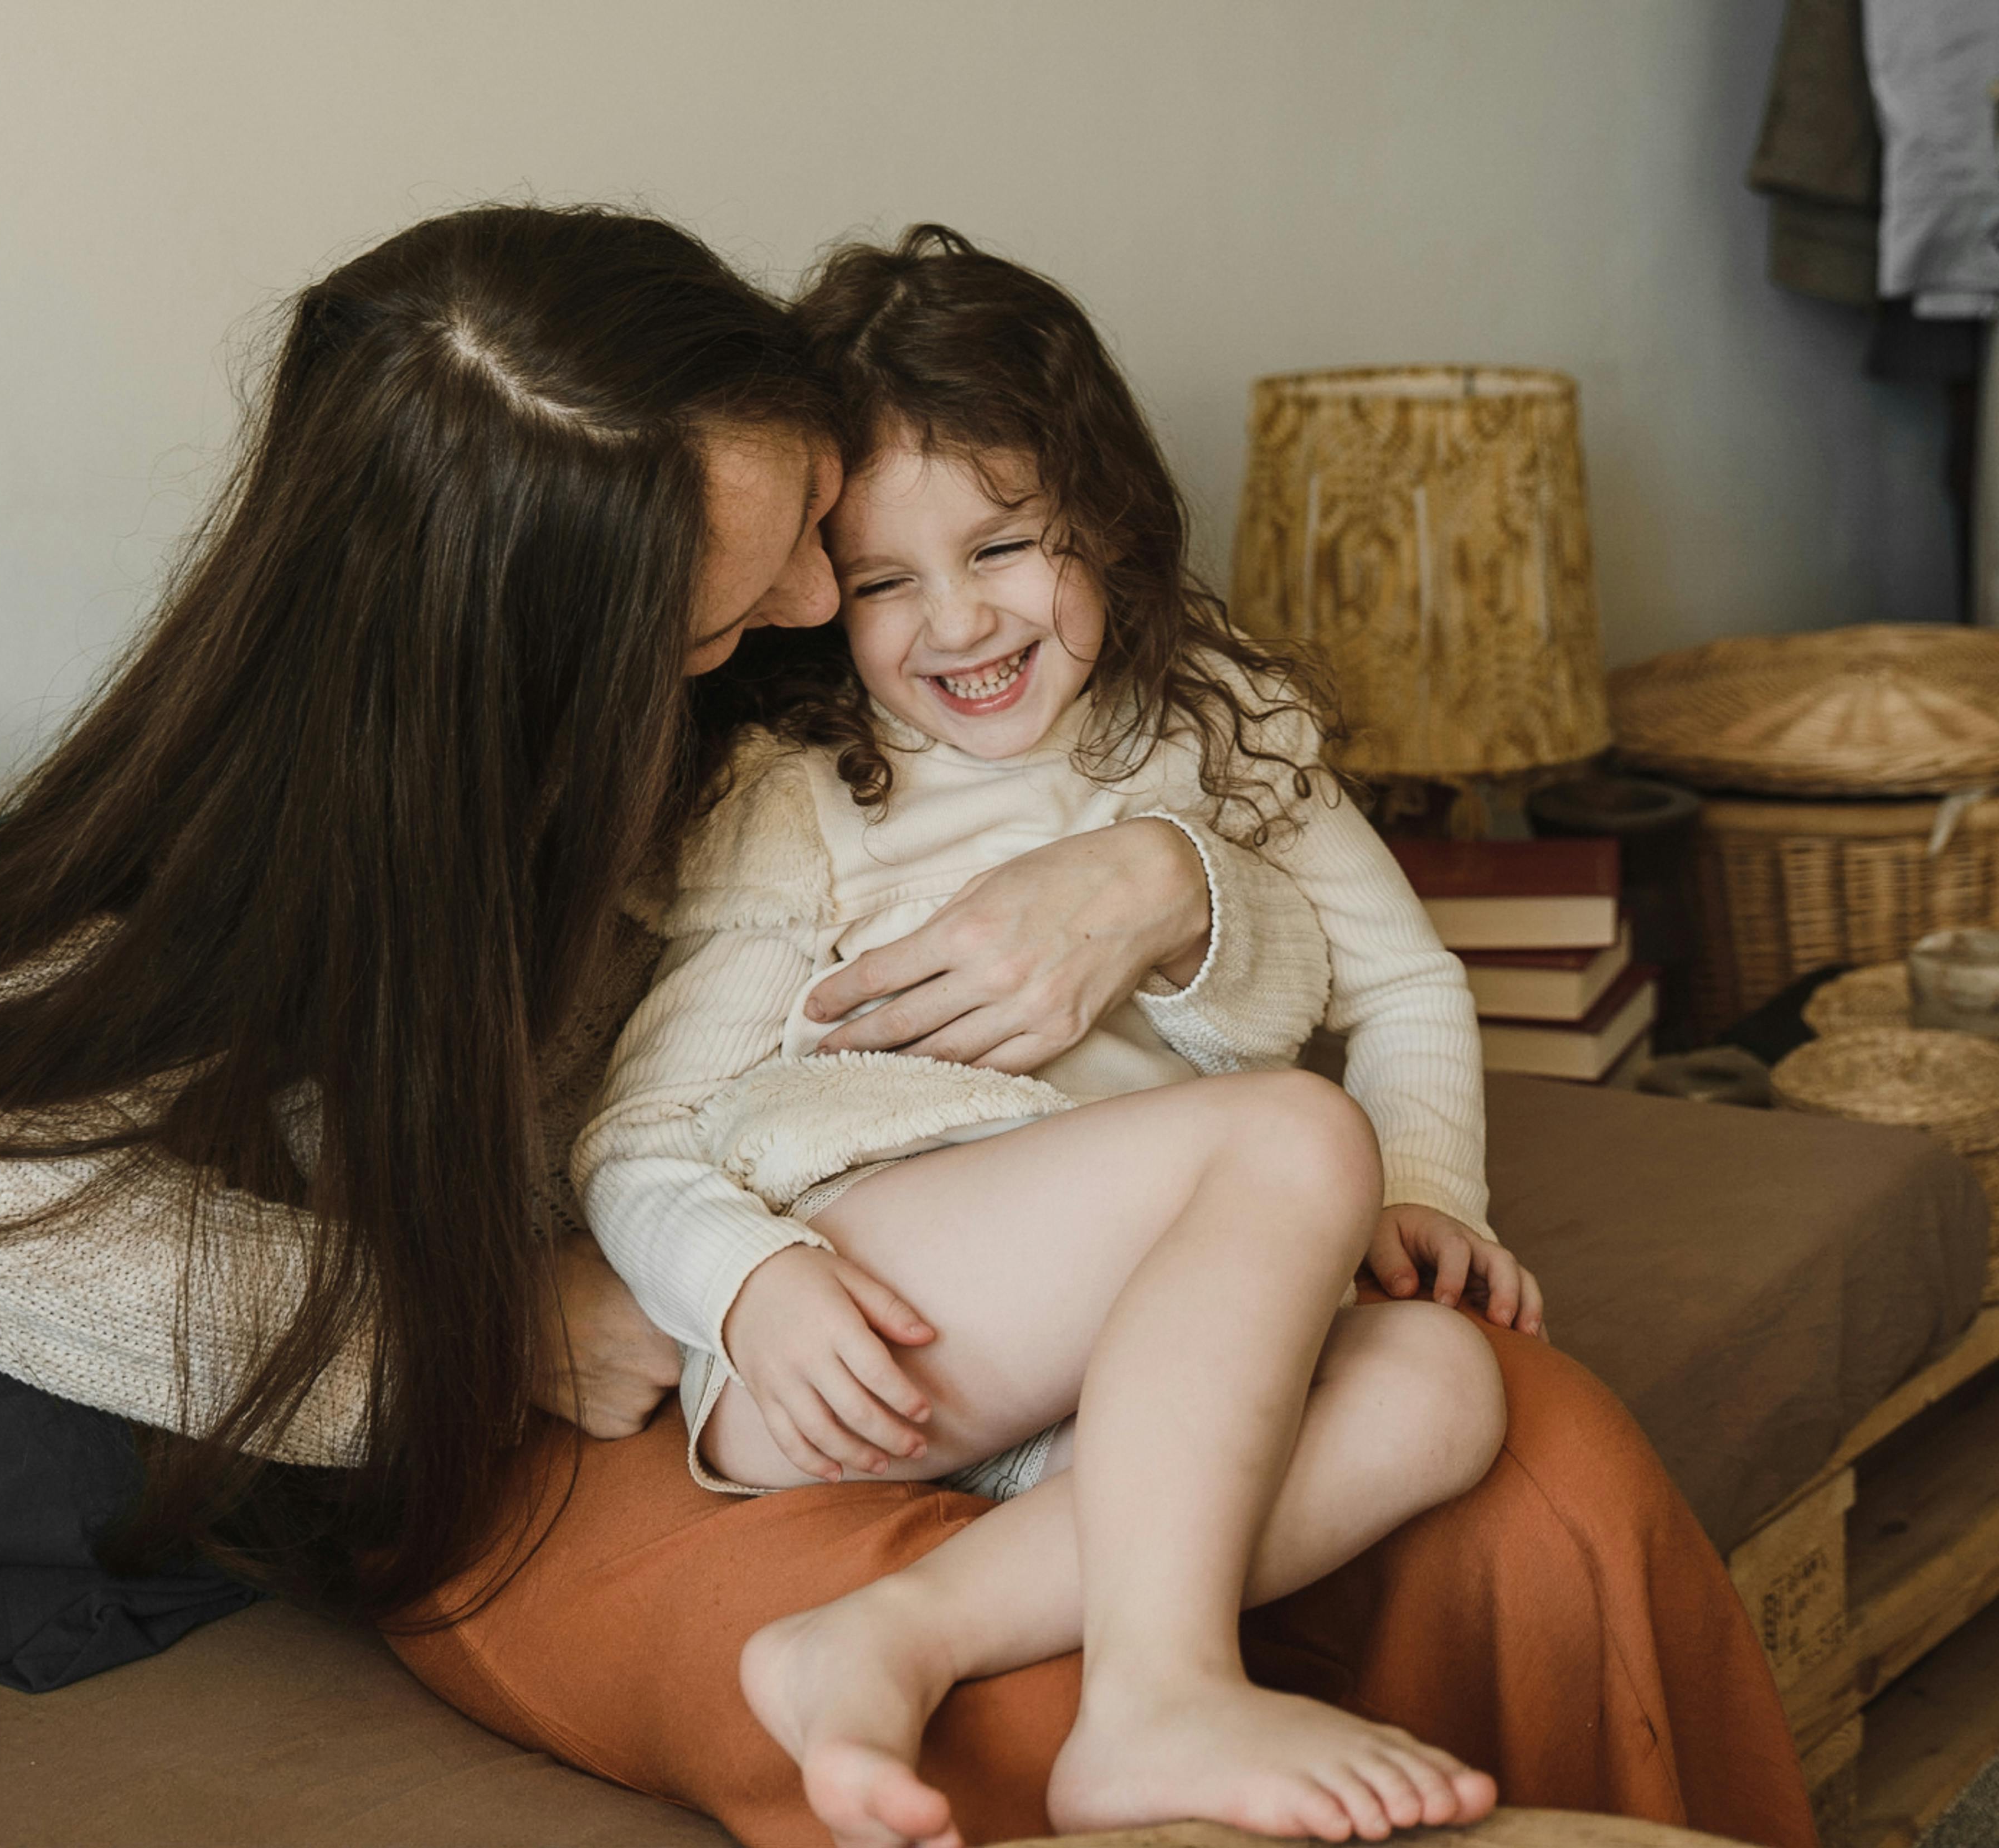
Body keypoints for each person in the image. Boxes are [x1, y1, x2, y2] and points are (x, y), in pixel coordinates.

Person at [0, 203, 1814, 1848]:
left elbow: (1288, 908)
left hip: (997, 1275)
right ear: (560, 639)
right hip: (647, 1382)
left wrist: (1166, 886)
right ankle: (1136, 1694)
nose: (822, 593)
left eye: (816, 528)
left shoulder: (838, 663)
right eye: (774, 571)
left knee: (1497, 1428)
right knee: (989, 1712)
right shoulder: (306, 860)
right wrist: (492, 1313)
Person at [573, 224, 1533, 1847]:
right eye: (882, 582)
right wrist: (747, 1284)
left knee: (1446, 1388)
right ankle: (1159, 1699)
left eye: (1005, 545)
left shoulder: (1221, 724)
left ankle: (892, 1633)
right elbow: (635, 1139)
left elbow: (1409, 986)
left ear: (1110, 514)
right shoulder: (801, 796)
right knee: (1293, 1135)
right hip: (856, 1312)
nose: (953, 625)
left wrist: (1431, 1181)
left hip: (1087, 1358)